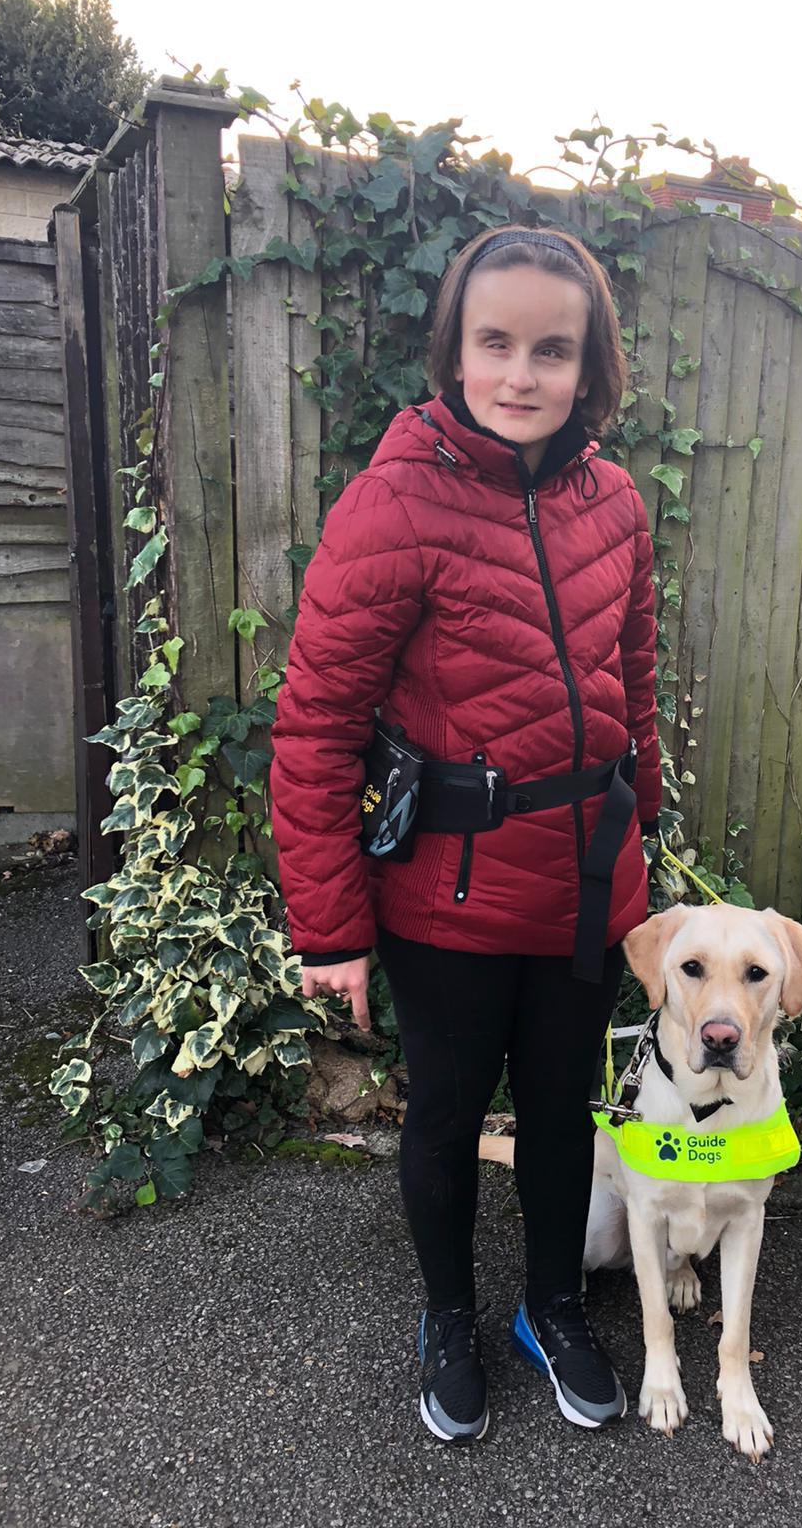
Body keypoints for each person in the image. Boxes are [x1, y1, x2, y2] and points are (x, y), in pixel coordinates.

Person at [270, 224, 662, 1444]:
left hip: (586, 886)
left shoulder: (616, 503)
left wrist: (642, 836)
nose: (520, 373)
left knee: (560, 1111)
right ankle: (449, 1318)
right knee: (444, 1115)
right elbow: (315, 725)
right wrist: (330, 927)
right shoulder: (394, 502)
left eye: (552, 349)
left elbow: (636, 686)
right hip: (446, 895)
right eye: (495, 342)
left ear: (589, 366)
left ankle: (554, 1307)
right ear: (454, 348)